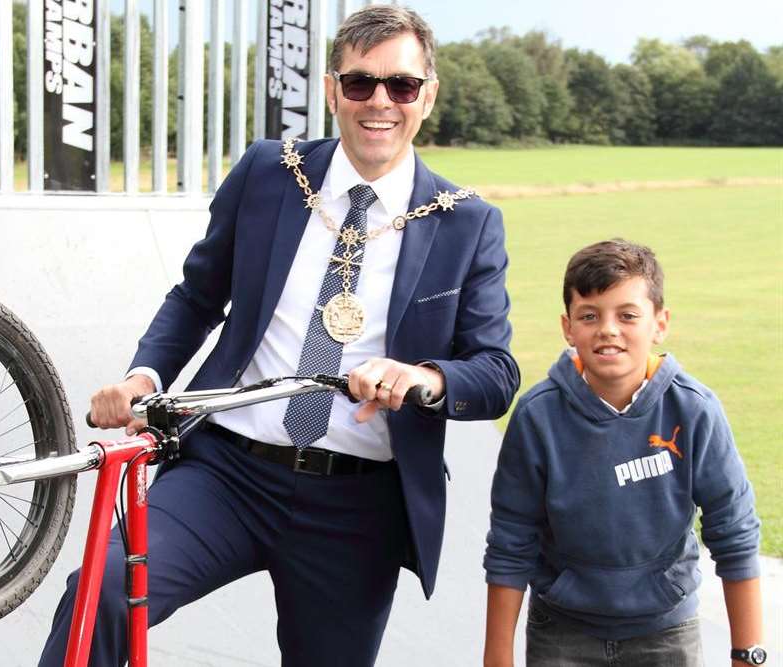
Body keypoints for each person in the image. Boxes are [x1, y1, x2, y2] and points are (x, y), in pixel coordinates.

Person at [40, 6, 519, 666]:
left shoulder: (468, 224)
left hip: (358, 503)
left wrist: (424, 378)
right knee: (103, 593)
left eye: (401, 86)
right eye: (360, 83)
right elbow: (197, 297)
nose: (380, 102)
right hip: (228, 470)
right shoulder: (270, 171)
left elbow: (495, 371)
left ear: (428, 96)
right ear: (332, 91)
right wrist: (143, 378)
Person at [483, 239, 765, 667]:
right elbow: (510, 540)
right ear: (567, 326)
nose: (608, 329)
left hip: (666, 632)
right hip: (561, 633)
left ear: (660, 323)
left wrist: (748, 653)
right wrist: (496, 657)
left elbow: (735, 532)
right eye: (590, 316)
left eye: (627, 315)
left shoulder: (694, 410)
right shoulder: (537, 416)